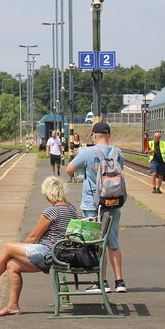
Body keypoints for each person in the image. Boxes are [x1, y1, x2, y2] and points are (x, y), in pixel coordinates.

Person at [0, 176, 78, 317]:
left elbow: (33, 238)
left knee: (9, 248)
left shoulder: (52, 212)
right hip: (58, 252)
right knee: (12, 266)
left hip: (47, 252)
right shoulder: (71, 208)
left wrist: (23, 250)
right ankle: (12, 306)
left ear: (48, 193)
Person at [66, 120, 126, 293]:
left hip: (93, 203)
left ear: (94, 135)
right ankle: (120, 282)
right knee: (113, 243)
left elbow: (70, 169)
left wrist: (85, 173)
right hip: (114, 201)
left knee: (95, 243)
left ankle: (102, 282)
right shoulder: (117, 152)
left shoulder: (88, 152)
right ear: (109, 135)